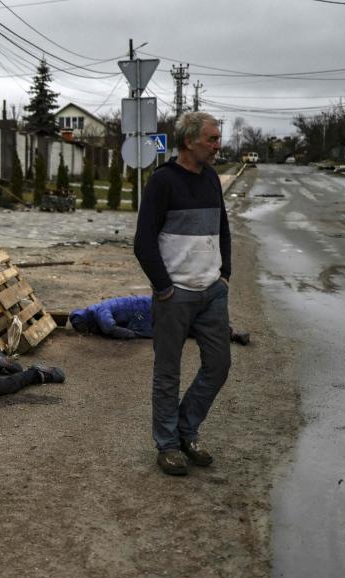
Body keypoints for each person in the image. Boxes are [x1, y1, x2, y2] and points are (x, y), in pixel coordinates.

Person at [133, 111, 232, 476]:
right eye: (211, 139)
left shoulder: (211, 180)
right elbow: (143, 242)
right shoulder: (163, 182)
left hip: (212, 292)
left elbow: (223, 229)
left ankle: (187, 430)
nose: (217, 145)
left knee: (219, 364)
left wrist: (225, 275)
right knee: (167, 373)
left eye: (217, 138)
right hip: (176, 295)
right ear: (189, 141)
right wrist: (164, 288)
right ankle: (169, 445)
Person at [70, 295, 251, 345]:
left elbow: (109, 327)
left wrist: (129, 334)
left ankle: (231, 333)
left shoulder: (99, 309)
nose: (86, 333)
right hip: (144, 313)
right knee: (187, 324)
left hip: (144, 312)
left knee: (188, 322)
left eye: (84, 329)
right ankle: (230, 334)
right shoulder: (99, 309)